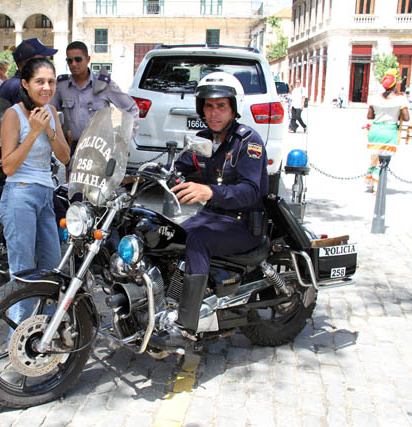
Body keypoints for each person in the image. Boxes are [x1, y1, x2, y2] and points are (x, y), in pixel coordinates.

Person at [153, 72, 268, 347]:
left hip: (243, 224)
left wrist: (209, 191)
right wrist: (141, 174)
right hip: (213, 217)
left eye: (221, 106)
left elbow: (253, 191)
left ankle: (187, 326)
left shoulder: (247, 142)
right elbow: (179, 167)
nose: (213, 112)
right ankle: (163, 301)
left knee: (197, 240)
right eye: (208, 105)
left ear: (233, 108)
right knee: (167, 236)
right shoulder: (204, 140)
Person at [0, 57, 70, 322]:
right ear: (25, 84)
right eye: (39, 82)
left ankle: (45, 338)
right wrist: (33, 131)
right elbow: (8, 166)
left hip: (45, 196)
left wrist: (49, 128)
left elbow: (64, 156)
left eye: (51, 82)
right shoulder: (13, 115)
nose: (46, 88)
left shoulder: (51, 113)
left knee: (52, 269)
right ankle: (15, 342)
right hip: (20, 196)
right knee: (23, 273)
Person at [50, 41, 139, 158]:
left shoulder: (104, 85)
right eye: (69, 61)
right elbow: (49, 111)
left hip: (100, 147)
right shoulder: (62, 86)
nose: (74, 64)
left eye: (78, 59)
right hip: (74, 147)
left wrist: (124, 140)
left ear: (87, 59)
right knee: (72, 177)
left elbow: (131, 108)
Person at [365, 69, 409, 193]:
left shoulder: (374, 99)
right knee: (384, 161)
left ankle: (369, 183)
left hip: (375, 131)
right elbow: (406, 118)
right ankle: (379, 183)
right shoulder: (401, 100)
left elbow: (369, 116)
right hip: (389, 132)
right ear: (394, 85)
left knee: (373, 158)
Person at [0, 38, 57, 105]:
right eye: (42, 60)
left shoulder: (12, 83)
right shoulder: (20, 86)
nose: (46, 63)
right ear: (28, 62)